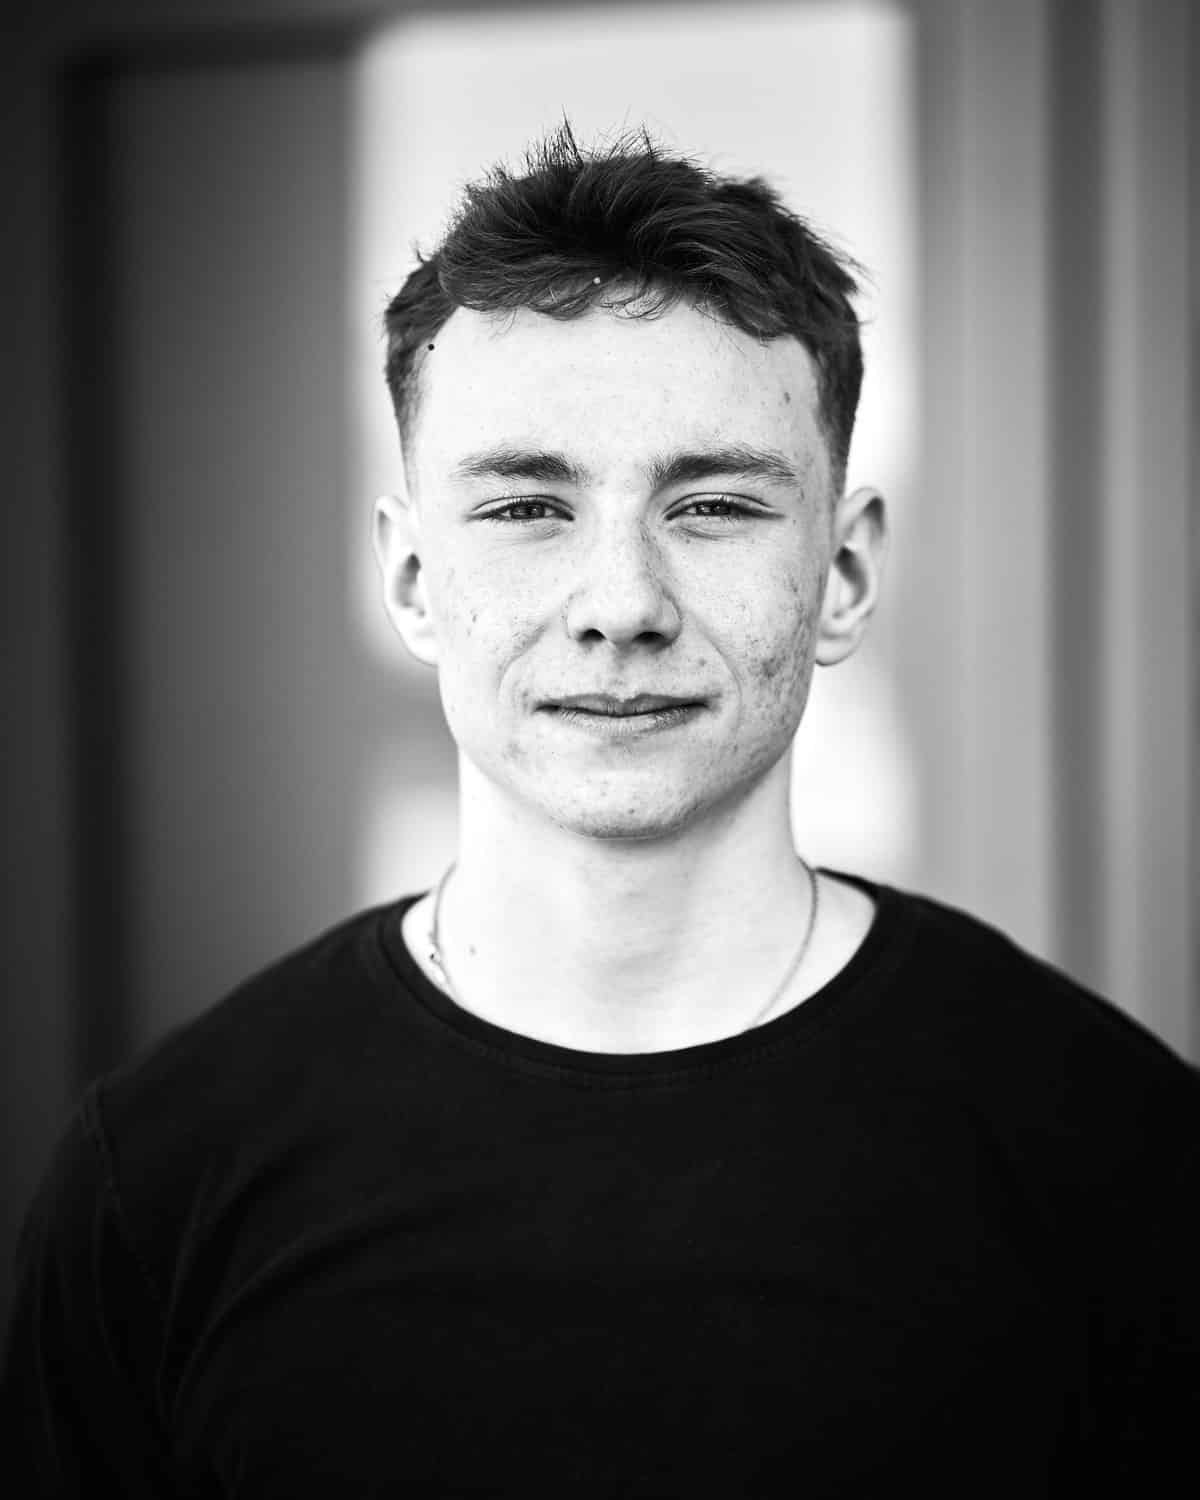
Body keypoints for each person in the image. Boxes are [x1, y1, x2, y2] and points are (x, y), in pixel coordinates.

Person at [3, 125, 1197, 1497]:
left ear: (847, 574)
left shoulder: (1118, 1154)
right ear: (411, 580)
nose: (621, 605)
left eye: (714, 504)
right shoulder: (160, 1176)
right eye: (527, 507)